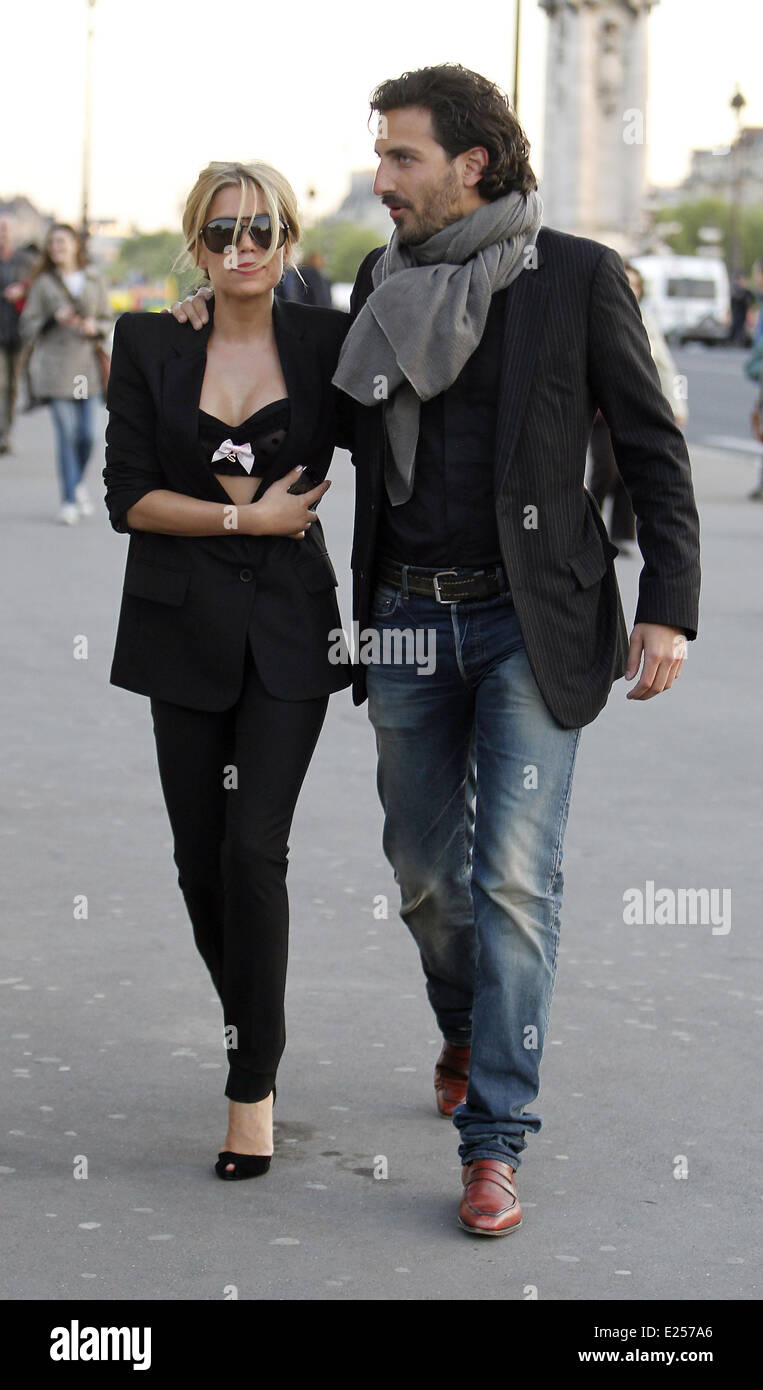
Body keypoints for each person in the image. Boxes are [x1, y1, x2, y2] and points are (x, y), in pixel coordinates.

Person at [171, 65, 701, 1237]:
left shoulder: (575, 276)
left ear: (471, 163)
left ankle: (495, 1136)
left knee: (513, 880)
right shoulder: (380, 278)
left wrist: (667, 603)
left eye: (401, 157)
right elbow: (324, 400)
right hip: (407, 614)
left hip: (532, 621)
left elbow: (654, 449)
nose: (381, 178)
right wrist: (225, 313)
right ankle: (466, 1023)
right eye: (380, 156)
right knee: (423, 874)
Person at [103, 160, 352, 1180]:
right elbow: (129, 497)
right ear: (195, 244)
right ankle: (252, 1013)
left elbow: (432, 394)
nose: (241, 249)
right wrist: (245, 515)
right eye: (220, 233)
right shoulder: (152, 340)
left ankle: (251, 1082)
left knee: (255, 853)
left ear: (288, 240)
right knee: (196, 860)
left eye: (259, 231)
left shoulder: (331, 344)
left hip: (291, 632)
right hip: (180, 631)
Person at [588, 262, 688, 555]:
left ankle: (621, 535)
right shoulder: (595, 313)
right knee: (605, 470)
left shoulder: (647, 320)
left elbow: (666, 366)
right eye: (626, 282)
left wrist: (678, 405)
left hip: (637, 409)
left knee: (630, 472)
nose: (630, 289)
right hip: (602, 412)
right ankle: (585, 526)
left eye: (635, 285)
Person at [19, 224, 111, 523]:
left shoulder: (94, 279)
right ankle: (69, 499)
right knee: (66, 434)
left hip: (85, 370)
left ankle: (77, 482)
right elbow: (27, 324)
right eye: (52, 243)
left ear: (75, 245)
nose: (56, 247)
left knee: (87, 434)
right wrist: (50, 318)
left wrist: (93, 327)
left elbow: (108, 320)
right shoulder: (43, 283)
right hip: (56, 369)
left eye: (62, 241)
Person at [0, 216, 36, 453]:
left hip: (19, 332)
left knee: (13, 386)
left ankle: (6, 432)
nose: (2, 233)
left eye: (5, 229)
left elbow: (40, 286)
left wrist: (23, 290)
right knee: (1, 383)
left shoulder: (26, 261)